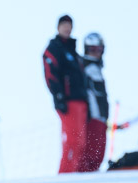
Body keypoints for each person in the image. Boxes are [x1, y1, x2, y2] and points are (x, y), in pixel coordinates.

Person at [43, 15, 88, 173]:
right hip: (67, 102)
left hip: (80, 101)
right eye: (64, 25)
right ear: (58, 27)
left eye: (69, 25)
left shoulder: (73, 52)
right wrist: (59, 96)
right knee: (72, 140)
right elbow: (50, 75)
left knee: (81, 142)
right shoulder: (54, 48)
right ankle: (65, 175)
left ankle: (76, 173)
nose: (67, 28)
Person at [80, 33, 109, 172]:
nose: (95, 53)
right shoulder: (84, 68)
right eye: (91, 49)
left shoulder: (96, 68)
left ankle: (93, 180)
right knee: (90, 156)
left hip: (101, 119)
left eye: (98, 49)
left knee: (98, 155)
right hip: (92, 119)